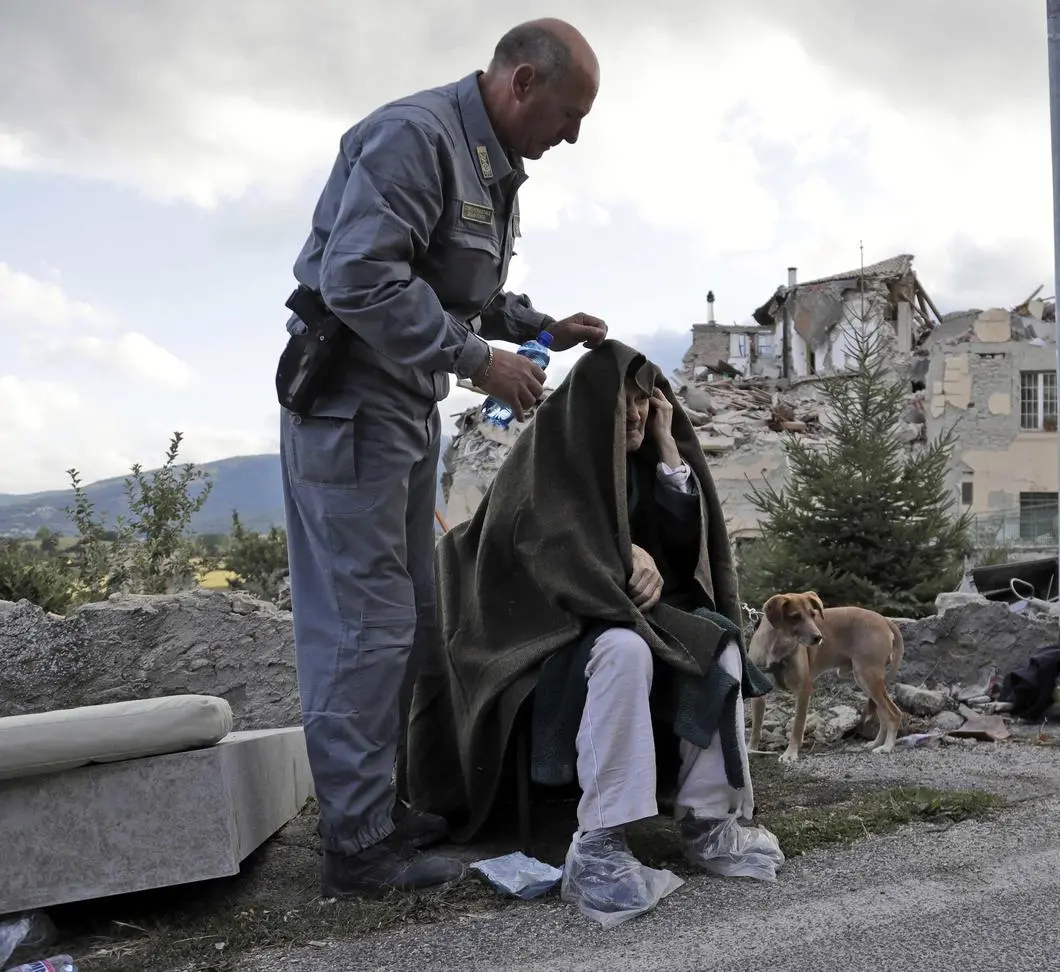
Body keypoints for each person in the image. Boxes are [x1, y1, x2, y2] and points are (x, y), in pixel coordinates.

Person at [277, 19, 608, 899]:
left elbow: (460, 285)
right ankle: (356, 850)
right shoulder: (414, 138)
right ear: (524, 82)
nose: (572, 136)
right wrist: (478, 361)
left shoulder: (489, 163)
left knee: (414, 618)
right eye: (571, 114)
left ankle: (379, 812)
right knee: (363, 625)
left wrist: (538, 329)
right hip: (350, 408)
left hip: (402, 411)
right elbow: (359, 279)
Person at [407, 340, 785, 924]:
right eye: (623, 401)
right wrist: (618, 552)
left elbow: (687, 557)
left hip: (630, 612)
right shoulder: (549, 453)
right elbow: (533, 539)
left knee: (719, 646)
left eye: (643, 400)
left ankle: (709, 821)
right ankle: (603, 842)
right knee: (623, 650)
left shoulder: (641, 457)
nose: (634, 412)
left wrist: (665, 443)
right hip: (548, 632)